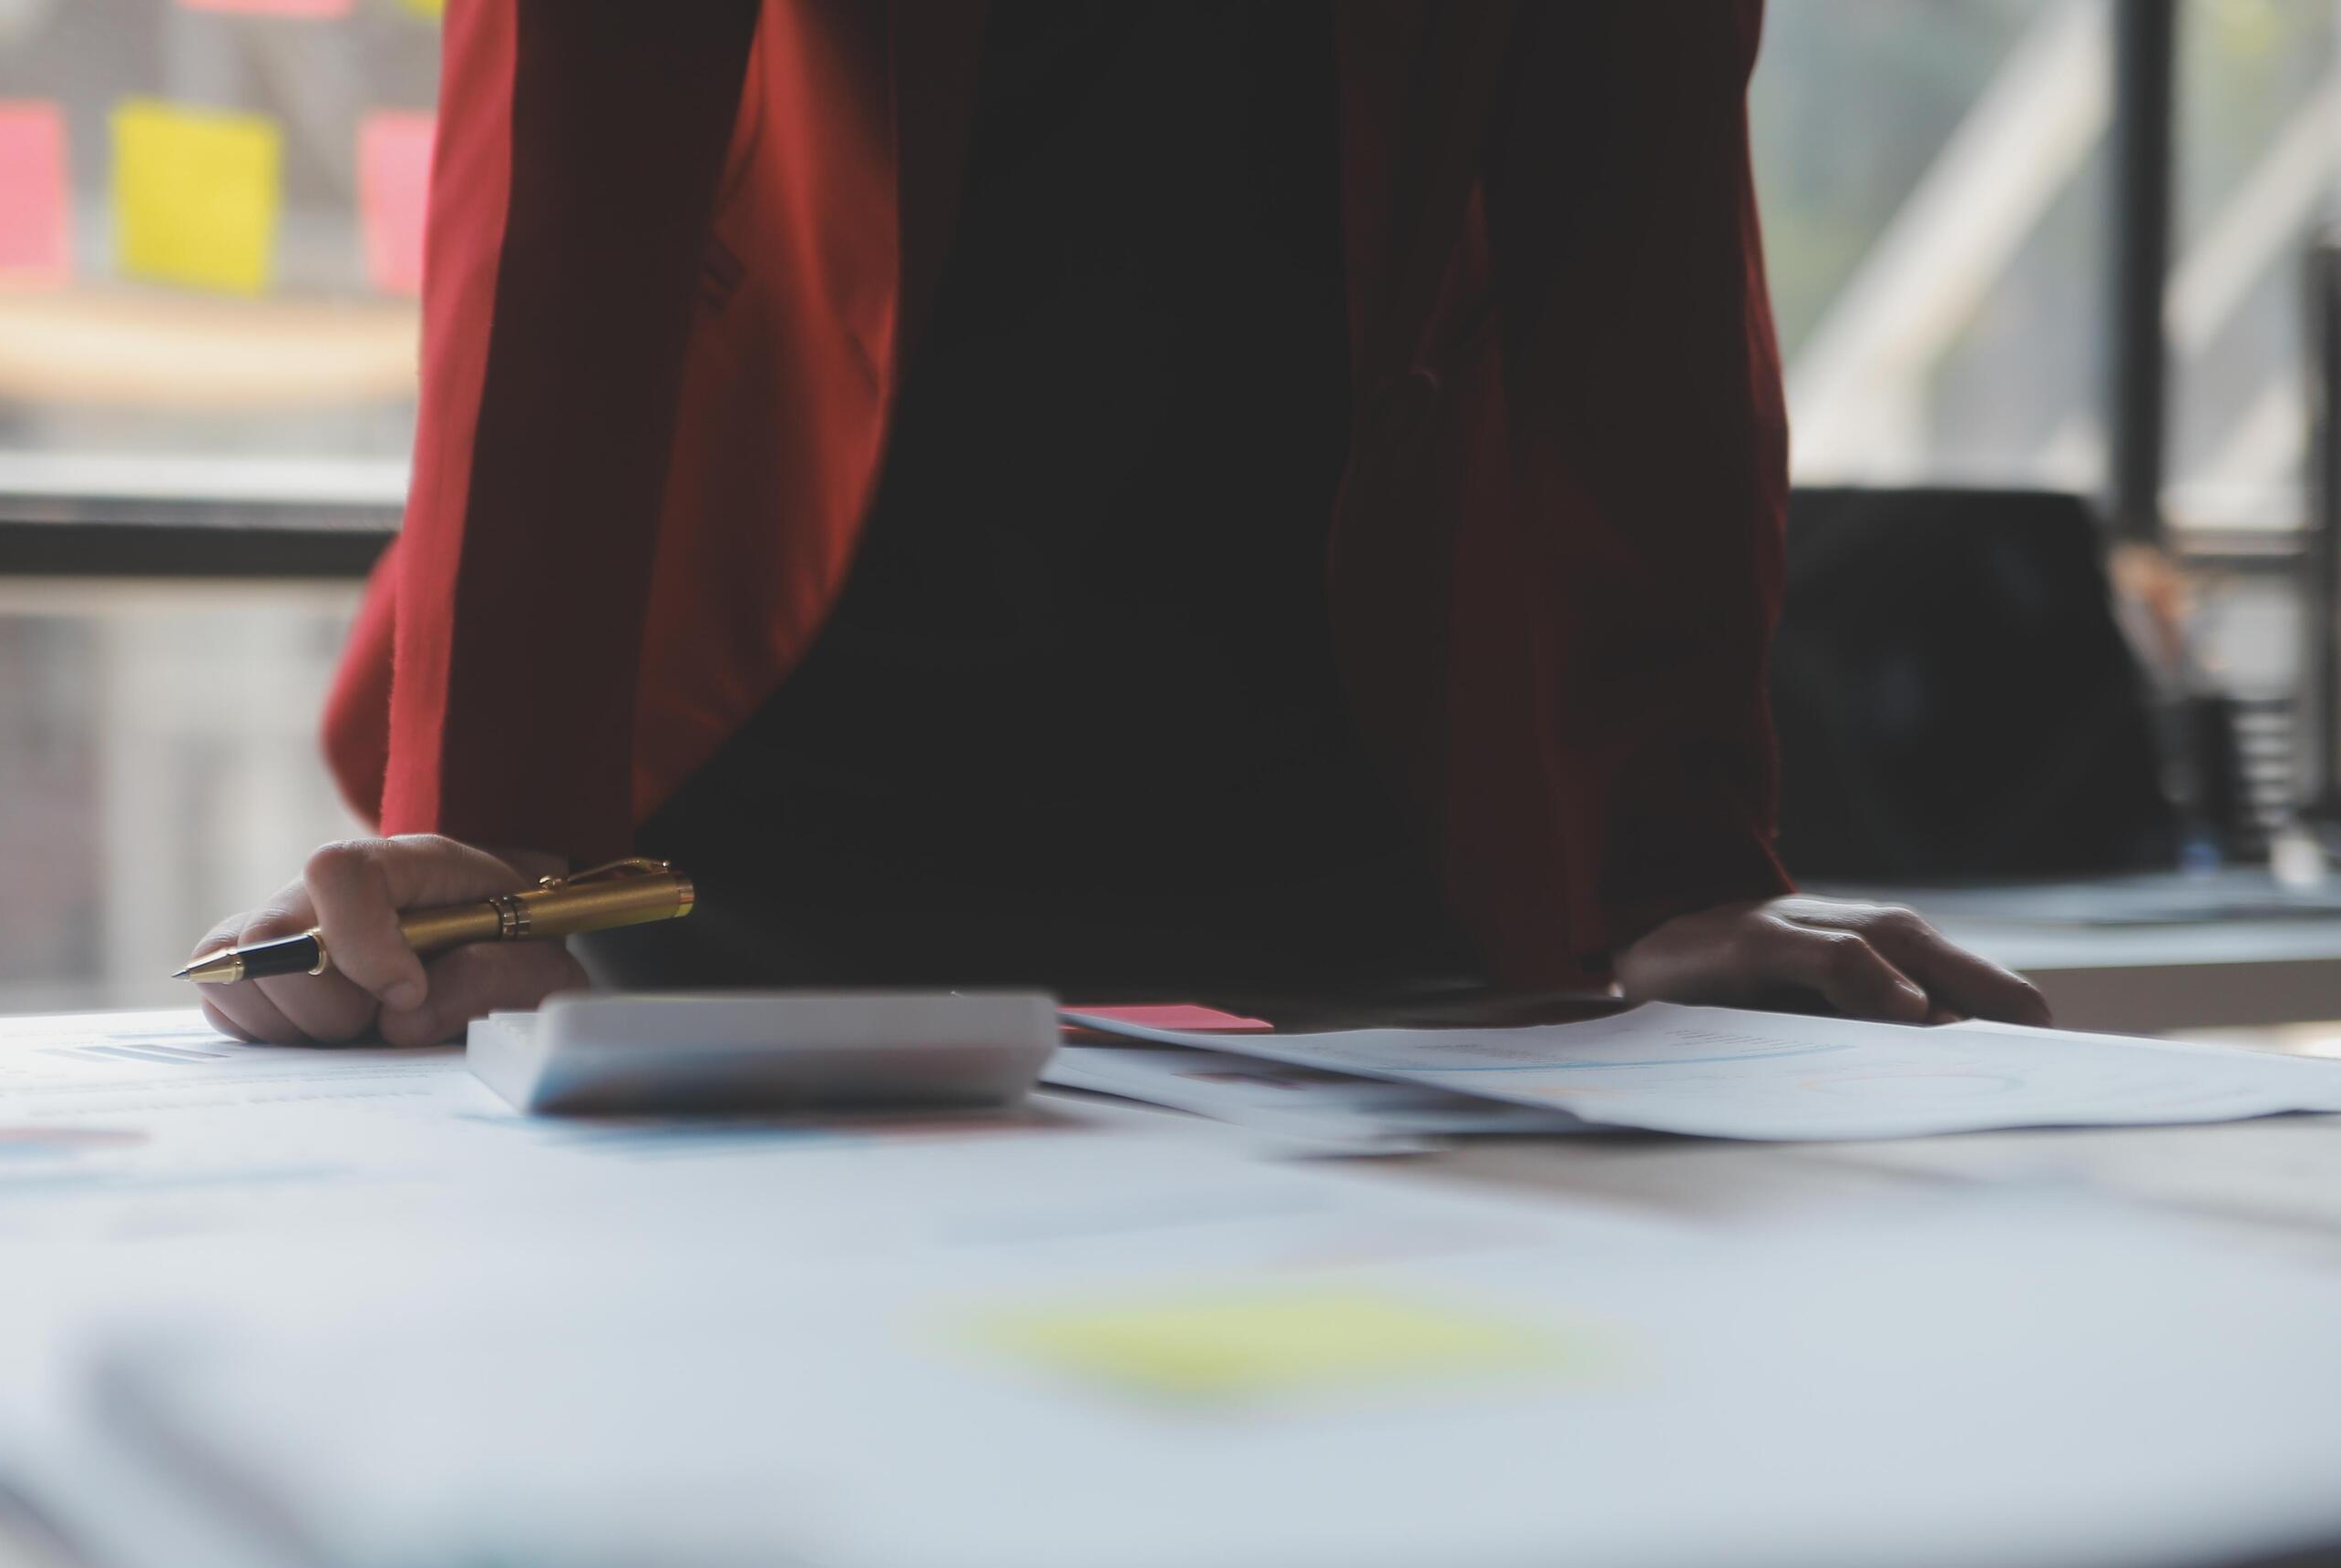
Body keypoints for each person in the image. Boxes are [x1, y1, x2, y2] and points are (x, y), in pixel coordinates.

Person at [196, 1, 2049, 1049]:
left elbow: (1632, 222)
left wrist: (1678, 871)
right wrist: (504, 839)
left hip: (1349, 772)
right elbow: (574, 157)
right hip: (749, 762)